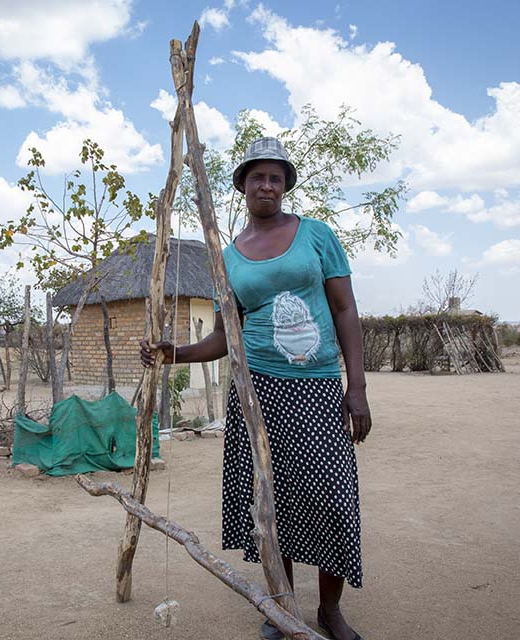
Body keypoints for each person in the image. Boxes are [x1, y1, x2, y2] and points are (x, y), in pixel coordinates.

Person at [140, 137, 371, 640]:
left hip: (318, 389)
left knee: (332, 498)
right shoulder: (229, 257)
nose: (267, 184)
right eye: (257, 176)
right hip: (258, 391)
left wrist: (357, 388)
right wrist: (173, 353)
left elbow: (346, 311)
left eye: (276, 177)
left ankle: (329, 611)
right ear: (242, 185)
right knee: (274, 504)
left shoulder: (316, 235)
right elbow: (226, 335)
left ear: (285, 185)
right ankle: (283, 606)